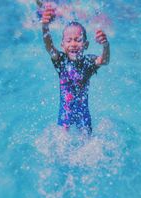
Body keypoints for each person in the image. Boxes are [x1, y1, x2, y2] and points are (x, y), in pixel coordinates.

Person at [41, 2, 110, 135]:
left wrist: (106, 45)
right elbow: (49, 47)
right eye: (69, 40)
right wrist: (45, 27)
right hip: (65, 113)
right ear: (62, 45)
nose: (73, 44)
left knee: (87, 143)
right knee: (61, 144)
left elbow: (105, 61)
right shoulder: (60, 61)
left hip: (83, 114)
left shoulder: (88, 62)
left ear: (86, 45)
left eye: (78, 40)